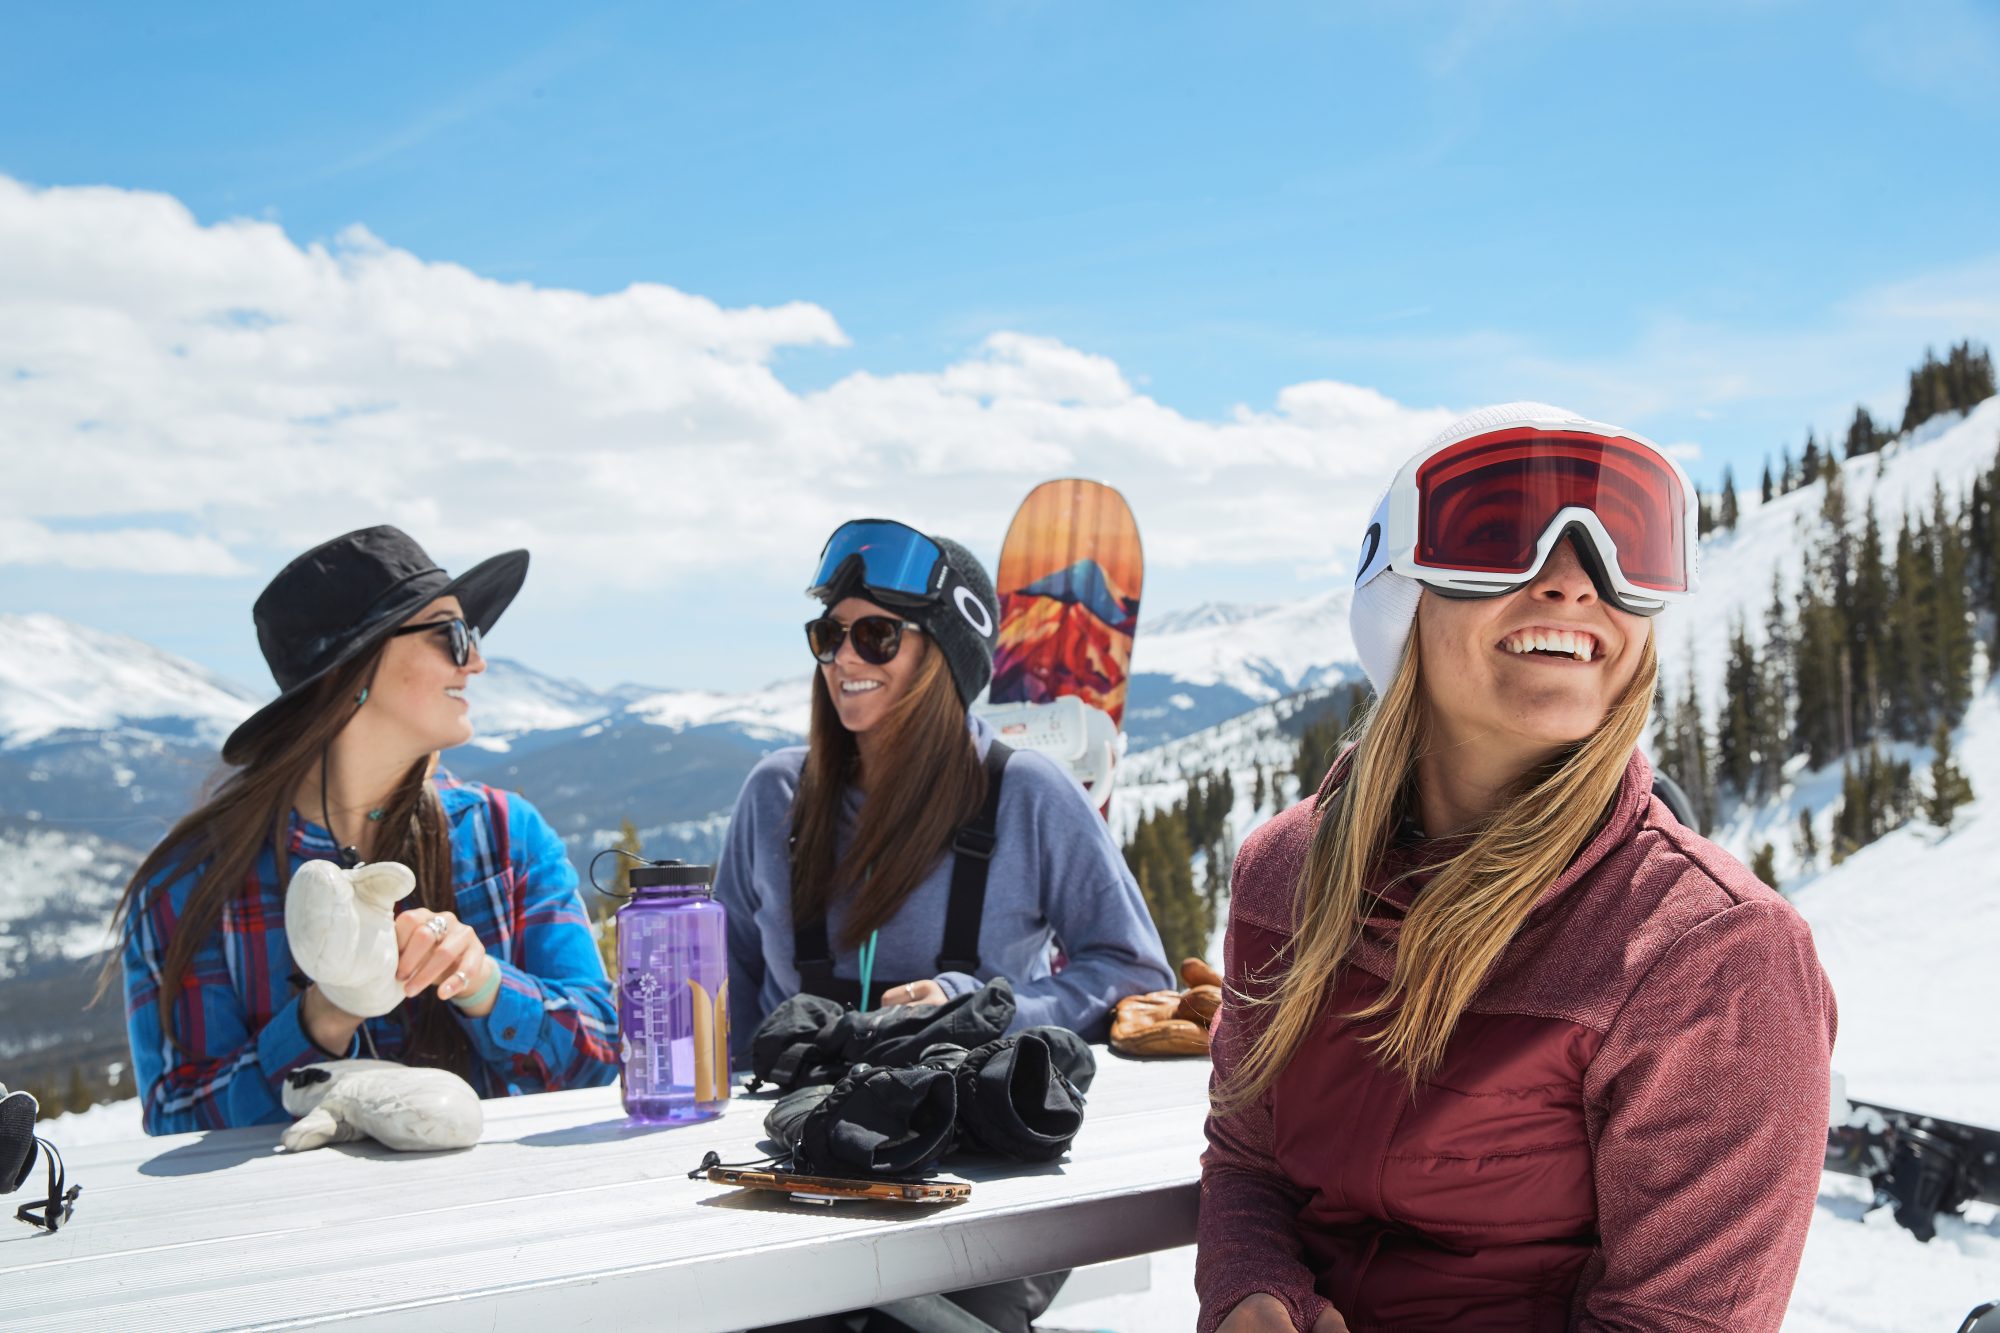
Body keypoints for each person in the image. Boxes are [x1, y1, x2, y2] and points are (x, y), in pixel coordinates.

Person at [1198, 405, 1837, 1333]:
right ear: (1399, 588)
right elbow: (1247, 1159)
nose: (1577, 583)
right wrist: (1252, 1289)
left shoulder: (1713, 956)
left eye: (1630, 548)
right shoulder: (1287, 872)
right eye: (1498, 537)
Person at [714, 517, 1174, 1333]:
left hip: (976, 1169)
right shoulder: (776, 795)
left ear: (944, 660)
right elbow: (726, 993)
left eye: (876, 636)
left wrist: (983, 1005)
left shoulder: (1026, 795)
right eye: (829, 635)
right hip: (800, 1159)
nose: (843, 659)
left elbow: (1135, 974)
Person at [115, 526, 618, 1135]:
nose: (478, 662)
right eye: (453, 636)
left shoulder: (507, 836)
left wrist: (482, 981)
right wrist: (325, 1014)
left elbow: (602, 1054)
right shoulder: (191, 885)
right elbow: (178, 1120)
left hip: (499, 1213)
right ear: (356, 664)